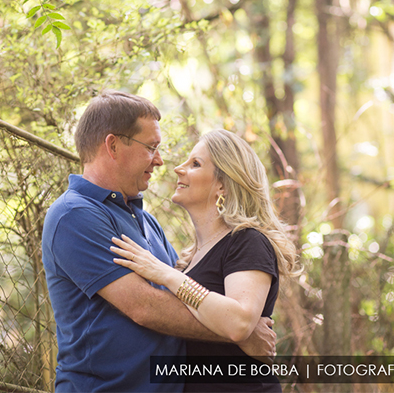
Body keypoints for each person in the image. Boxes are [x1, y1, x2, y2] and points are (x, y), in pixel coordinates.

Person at [42, 91, 276, 392]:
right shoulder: (74, 215)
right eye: (151, 148)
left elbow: (183, 296)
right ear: (113, 145)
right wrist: (240, 332)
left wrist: (237, 324)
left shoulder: (146, 222)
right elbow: (145, 306)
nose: (161, 161)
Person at [110, 128, 300, 392]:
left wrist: (166, 274)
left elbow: (240, 322)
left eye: (195, 164)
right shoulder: (189, 257)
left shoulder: (247, 241)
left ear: (222, 184)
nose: (179, 168)